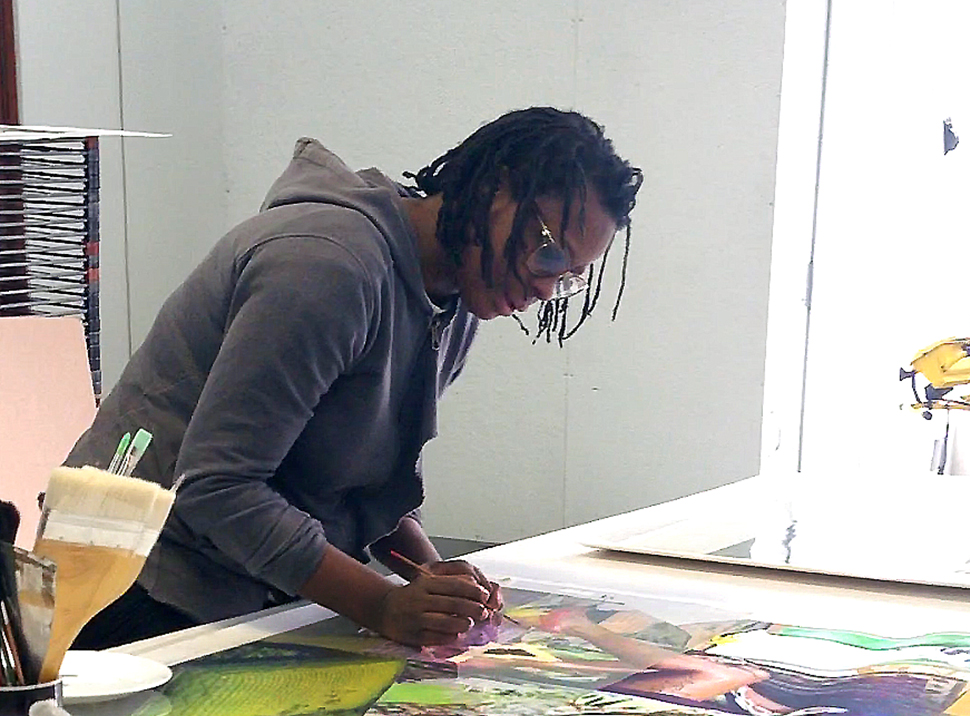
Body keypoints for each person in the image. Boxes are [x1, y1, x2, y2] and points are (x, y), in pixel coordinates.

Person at [63, 108, 643, 649]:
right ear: (496, 189)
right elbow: (216, 489)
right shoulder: (325, 266)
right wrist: (382, 605)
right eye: (548, 254)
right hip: (131, 586)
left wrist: (430, 573)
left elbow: (359, 481)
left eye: (569, 278)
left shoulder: (457, 296)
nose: (545, 288)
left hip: (240, 582)